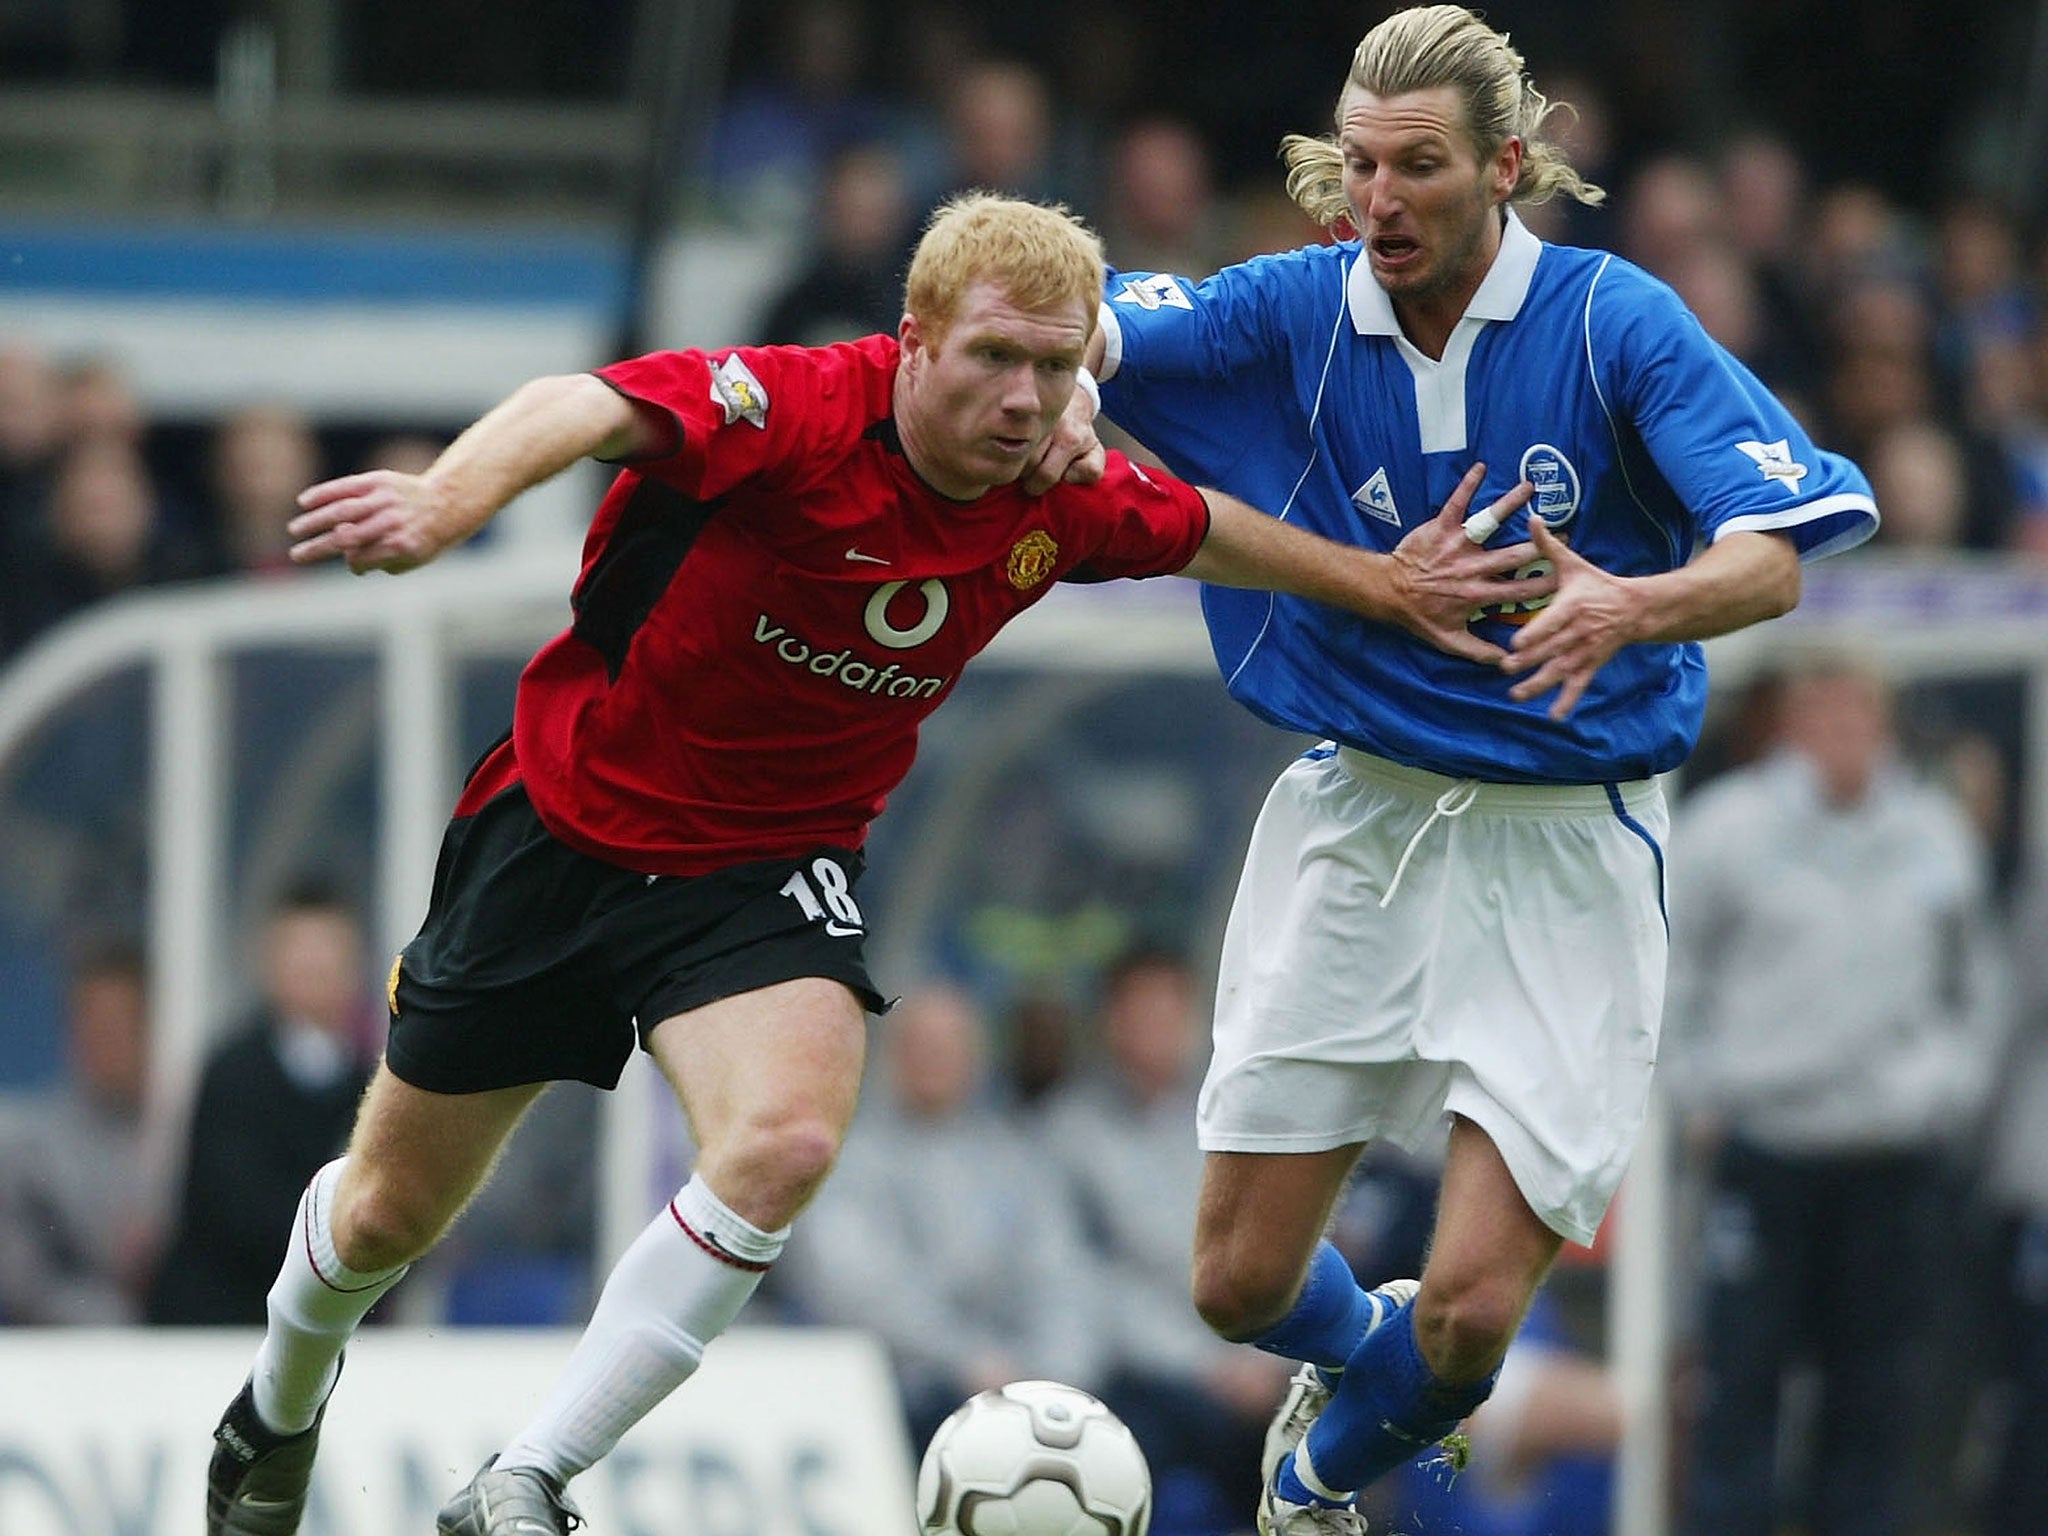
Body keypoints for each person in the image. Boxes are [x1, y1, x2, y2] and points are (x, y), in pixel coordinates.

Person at [202, 191, 1547, 1536]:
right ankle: (277, 1404)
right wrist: (447, 499)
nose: (1026, 398)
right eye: (994, 358)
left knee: (783, 1143)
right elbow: (583, 403)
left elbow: (1200, 525)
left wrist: (1382, 586)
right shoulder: (797, 411)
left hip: (770, 867)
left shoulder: (1056, 496)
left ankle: (526, 1477)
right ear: (912, 341)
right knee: (385, 1214)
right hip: (567, 828)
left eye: (1055, 366)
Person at [1053, 8, 1881, 1531]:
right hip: (1360, 818)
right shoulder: (1294, 309)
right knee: (1237, 1285)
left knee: (1475, 1317)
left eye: (1416, 166)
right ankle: (1353, 1358)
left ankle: (1309, 1492)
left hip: (1569, 844)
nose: (1378, 199)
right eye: (1357, 165)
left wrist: (1632, 601)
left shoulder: (1612, 320)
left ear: (1506, 166)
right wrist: (1050, 348)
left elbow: (1774, 562)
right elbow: (1098, 325)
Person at [1662, 655, 2006, 1536]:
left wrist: (1946, 1091)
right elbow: (1669, 974)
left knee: (1878, 1393)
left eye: (1857, 716)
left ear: (1883, 724)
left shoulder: (1933, 832)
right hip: (1765, 1151)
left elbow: (1979, 986)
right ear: (1789, 724)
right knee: (1741, 1384)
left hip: (1891, 1160)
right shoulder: (1726, 828)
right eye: (1821, 716)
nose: (1840, 736)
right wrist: (1699, 1091)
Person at [781, 984, 1105, 1449]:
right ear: (892, 1056)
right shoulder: (845, 1157)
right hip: (903, 1386)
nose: (936, 1059)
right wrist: (970, 1360)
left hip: (1022, 1381)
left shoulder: (1016, 1156)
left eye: (951, 1046)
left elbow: (1063, 1274)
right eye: (922, 1045)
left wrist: (1059, 1373)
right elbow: (858, 1290)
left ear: (978, 1057)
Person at [1037, 946, 1286, 1526]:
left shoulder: (1230, 1124)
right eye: (1143, 1012)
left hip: (1247, 1367)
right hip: (1141, 1374)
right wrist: (1207, 1366)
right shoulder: (1067, 1133)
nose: (1160, 1029)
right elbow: (1080, 1282)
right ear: (1109, 1021)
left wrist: (1261, 1361)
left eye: (1172, 1012)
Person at [149, 882, 378, 1325]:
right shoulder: (231, 1074)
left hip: (330, 1326)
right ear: (271, 964)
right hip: (219, 1323)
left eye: (330, 955)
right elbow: (231, 1209)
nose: (316, 969)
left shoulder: (372, 1085)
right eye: (301, 955)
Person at [0, 940, 162, 1323]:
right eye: (95, 1024)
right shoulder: (29, 1146)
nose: (108, 1041)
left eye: (122, 1024)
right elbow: (22, 1277)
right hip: (65, 1357)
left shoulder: (185, 1132)